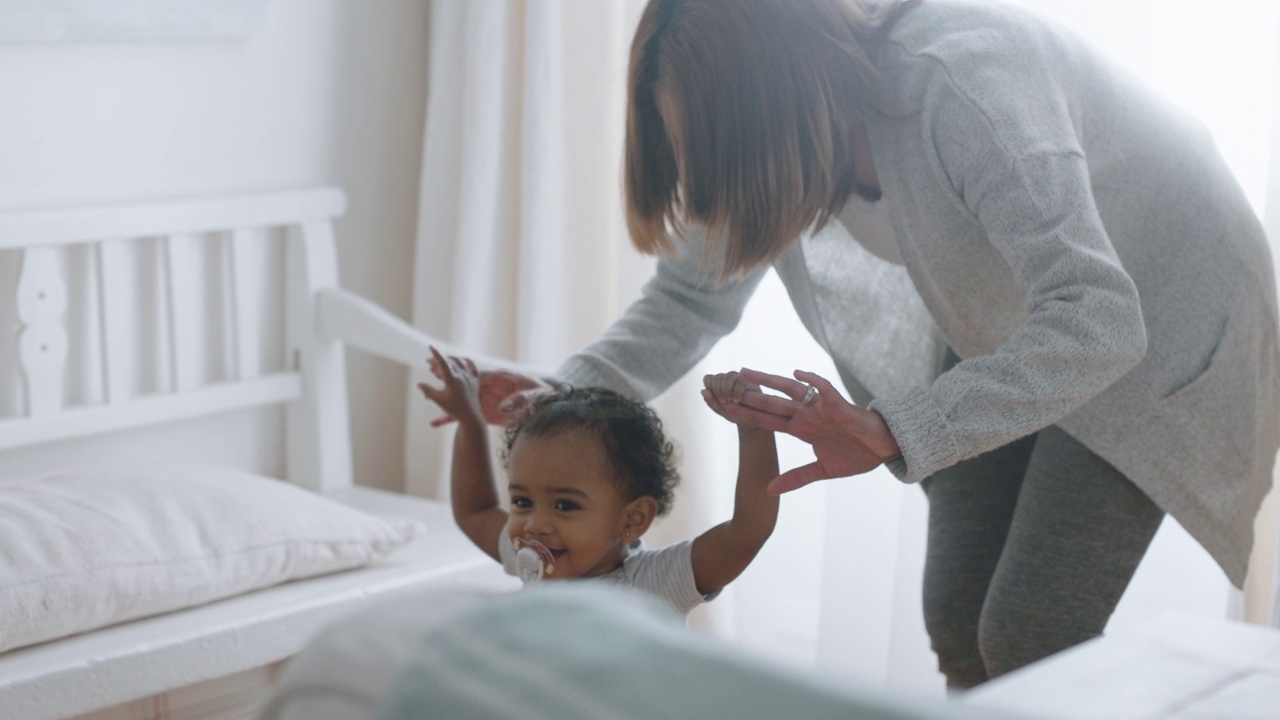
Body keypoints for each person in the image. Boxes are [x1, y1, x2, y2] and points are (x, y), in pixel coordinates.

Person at [432, 0, 1280, 689]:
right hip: (1005, 320)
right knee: (956, 615)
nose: (713, 187)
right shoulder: (773, 140)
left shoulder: (965, 83)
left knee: (1030, 630)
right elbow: (690, 297)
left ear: (777, 113)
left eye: (716, 158)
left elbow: (1097, 315)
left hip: (1158, 312)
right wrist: (560, 394)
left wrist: (894, 427)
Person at [418, 346, 780, 617]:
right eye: (522, 502)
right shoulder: (529, 561)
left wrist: (754, 429)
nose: (534, 524)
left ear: (632, 519)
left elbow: (748, 530)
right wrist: (469, 422)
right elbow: (475, 510)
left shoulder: (651, 584)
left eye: (565, 505)